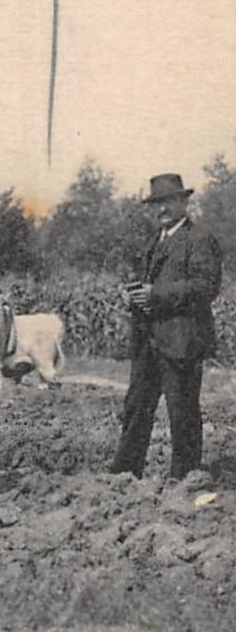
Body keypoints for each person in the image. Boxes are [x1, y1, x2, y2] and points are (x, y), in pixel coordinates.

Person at [109, 173, 222, 481]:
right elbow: (153, 287)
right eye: (156, 204)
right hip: (149, 340)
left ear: (183, 202)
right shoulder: (155, 242)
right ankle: (124, 474)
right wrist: (134, 295)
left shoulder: (198, 240)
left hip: (182, 340)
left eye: (168, 202)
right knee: (136, 408)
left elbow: (206, 286)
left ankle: (184, 478)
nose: (161, 209)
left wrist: (155, 295)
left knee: (182, 411)